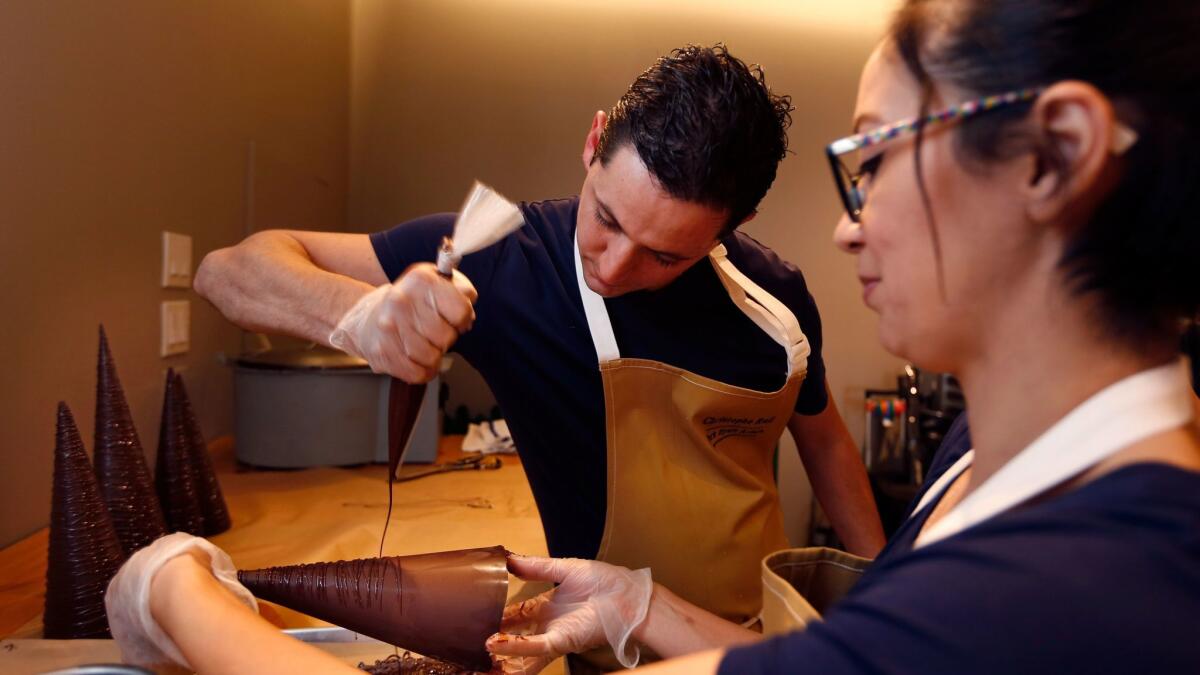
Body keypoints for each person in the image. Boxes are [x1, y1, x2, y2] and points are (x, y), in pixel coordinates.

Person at [479, 1, 1200, 672]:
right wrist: (632, 603)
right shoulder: (986, 445)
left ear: (1056, 155)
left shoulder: (1104, 579)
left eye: (876, 159)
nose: (848, 228)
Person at [194, 42, 885, 630]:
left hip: (757, 639)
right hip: (592, 641)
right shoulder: (505, 259)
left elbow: (824, 440)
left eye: (664, 256)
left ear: (734, 223)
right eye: (606, 218)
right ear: (593, 142)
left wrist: (883, 594)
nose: (613, 265)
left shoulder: (777, 302)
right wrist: (361, 314)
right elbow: (229, 271)